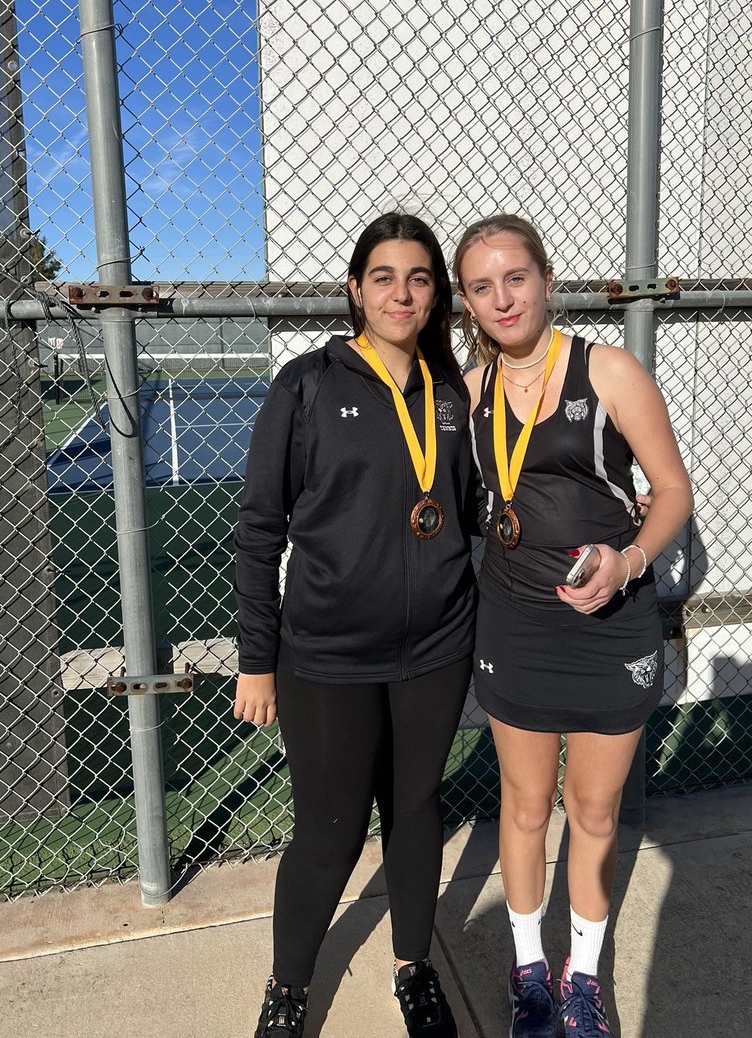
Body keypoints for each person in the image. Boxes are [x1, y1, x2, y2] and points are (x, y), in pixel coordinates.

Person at [233, 213, 479, 1038]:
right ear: (354, 289)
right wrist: (256, 661)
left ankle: (415, 968)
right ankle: (289, 987)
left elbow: (476, 510)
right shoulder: (306, 386)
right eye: (383, 276)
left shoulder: (454, 394)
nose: (401, 293)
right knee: (328, 835)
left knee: (415, 813)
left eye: (418, 277)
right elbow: (260, 530)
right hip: (327, 657)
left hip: (435, 649)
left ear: (435, 292)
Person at [454, 215, 694, 1038]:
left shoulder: (610, 370)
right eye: (482, 287)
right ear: (469, 302)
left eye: (514, 278)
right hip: (515, 623)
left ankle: (581, 980)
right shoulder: (472, 389)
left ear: (547, 280)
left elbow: (671, 492)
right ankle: (529, 974)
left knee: (592, 812)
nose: (502, 298)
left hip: (610, 626)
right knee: (523, 808)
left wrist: (627, 565)